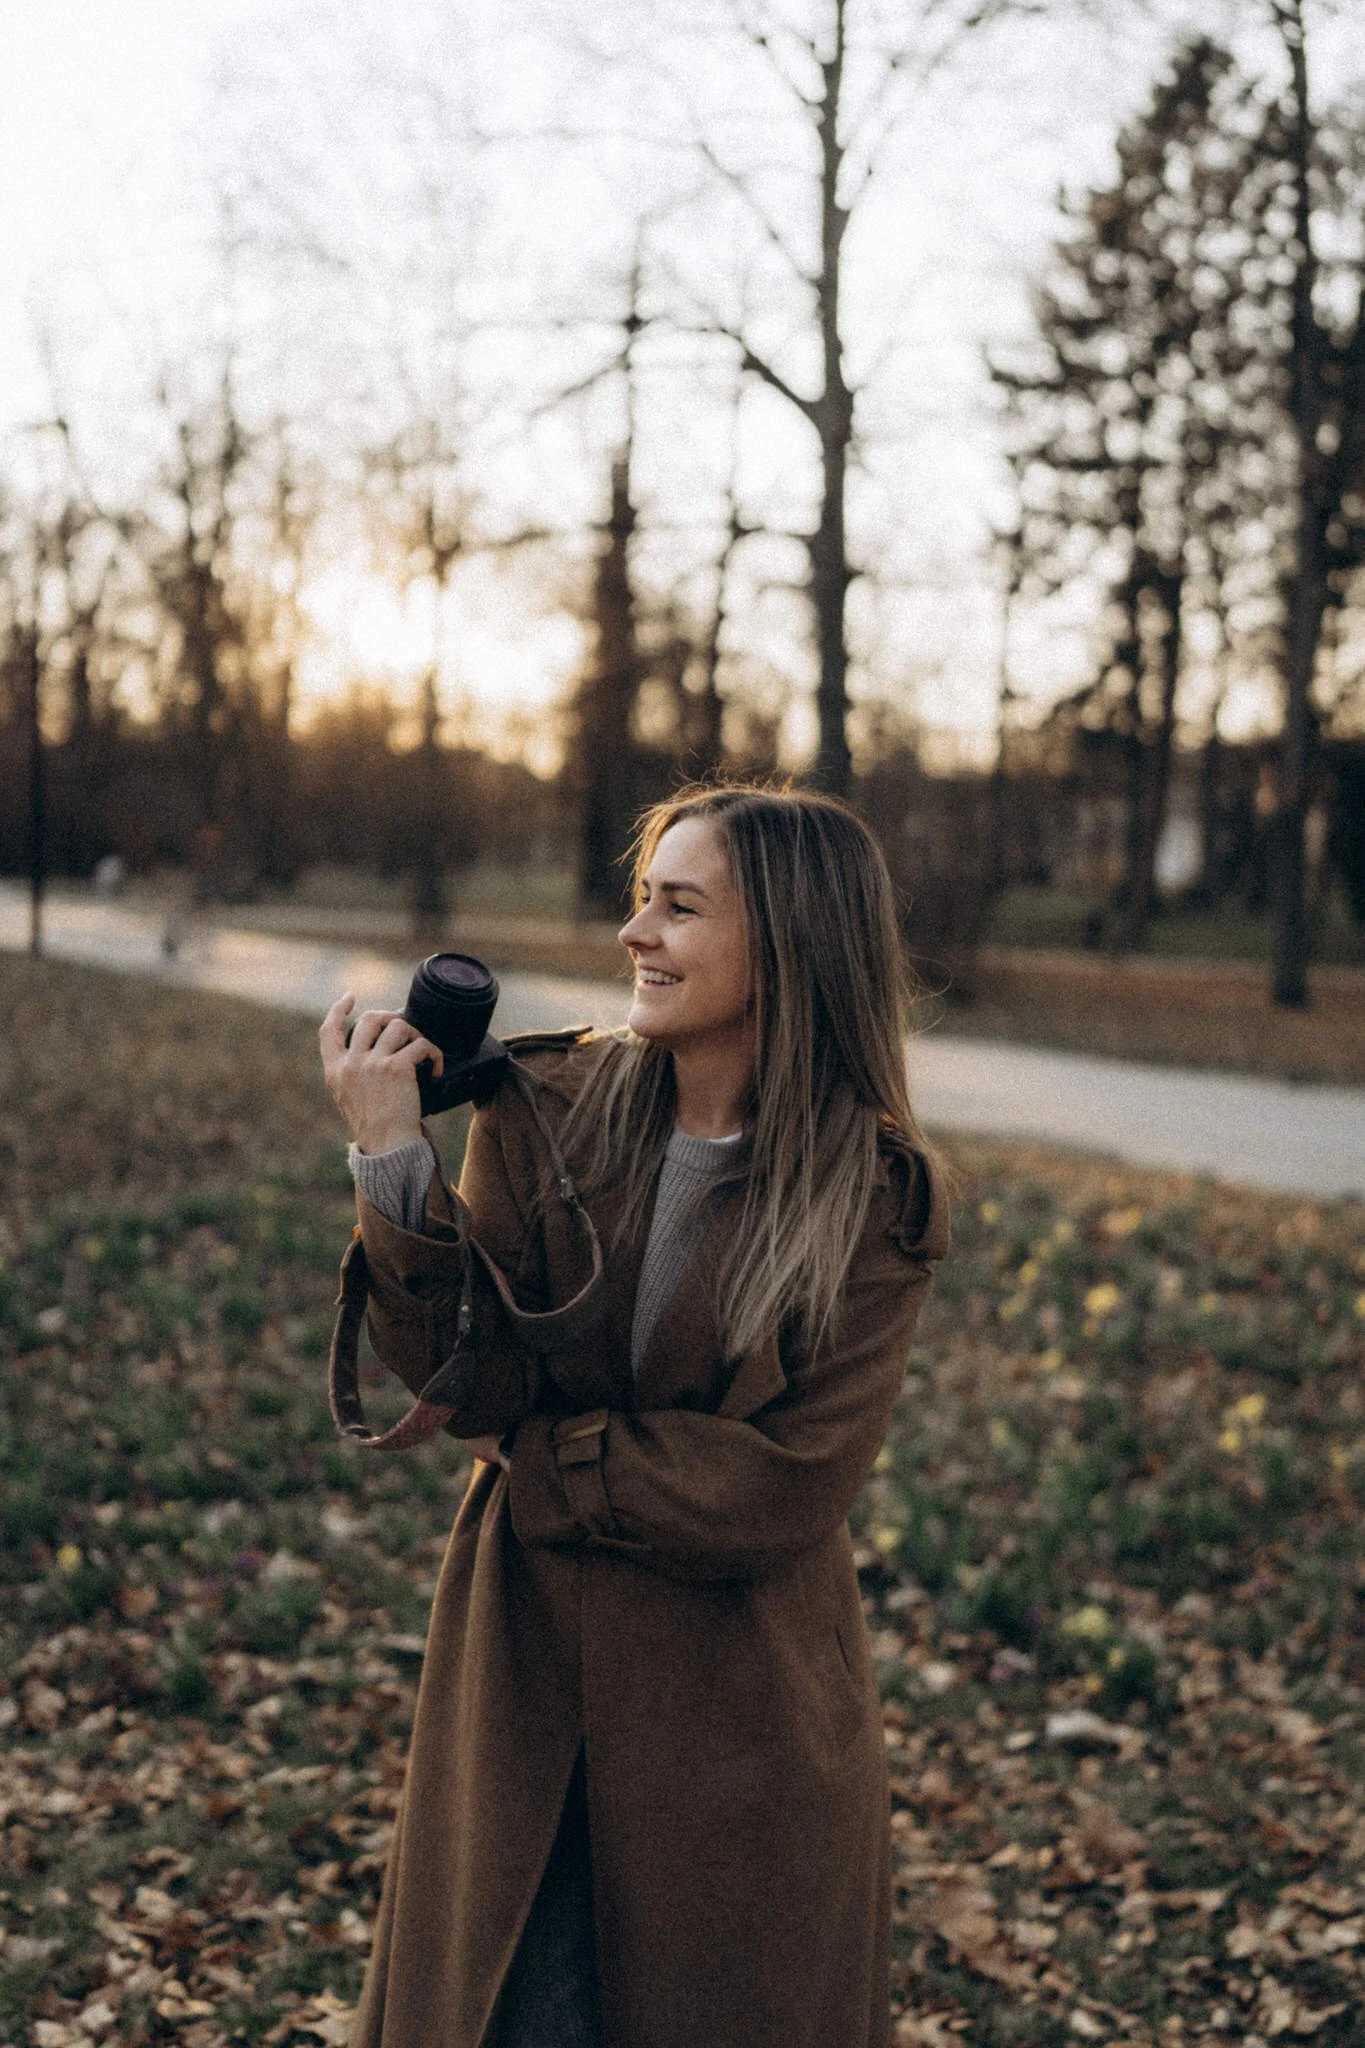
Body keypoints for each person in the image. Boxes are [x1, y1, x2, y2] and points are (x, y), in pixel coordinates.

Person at [318, 783, 949, 2048]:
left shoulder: (873, 1197)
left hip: (744, 1726)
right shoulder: (545, 1110)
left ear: (787, 940)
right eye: (640, 898)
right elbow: (468, 1380)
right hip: (524, 1678)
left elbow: (779, 1484)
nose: (634, 935)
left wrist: (543, 1456)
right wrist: (394, 1163)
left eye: (678, 905)